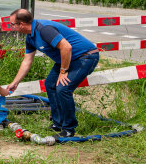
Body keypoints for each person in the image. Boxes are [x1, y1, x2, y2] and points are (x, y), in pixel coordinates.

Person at [6, 8, 99, 137]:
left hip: (85, 56)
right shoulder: (30, 37)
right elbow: (27, 61)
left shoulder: (44, 29)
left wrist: (63, 71)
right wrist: (15, 82)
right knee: (50, 84)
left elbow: (66, 47)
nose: (12, 27)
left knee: (63, 88)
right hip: (67, 59)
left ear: (21, 24)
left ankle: (69, 129)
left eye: (12, 24)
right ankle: (58, 123)